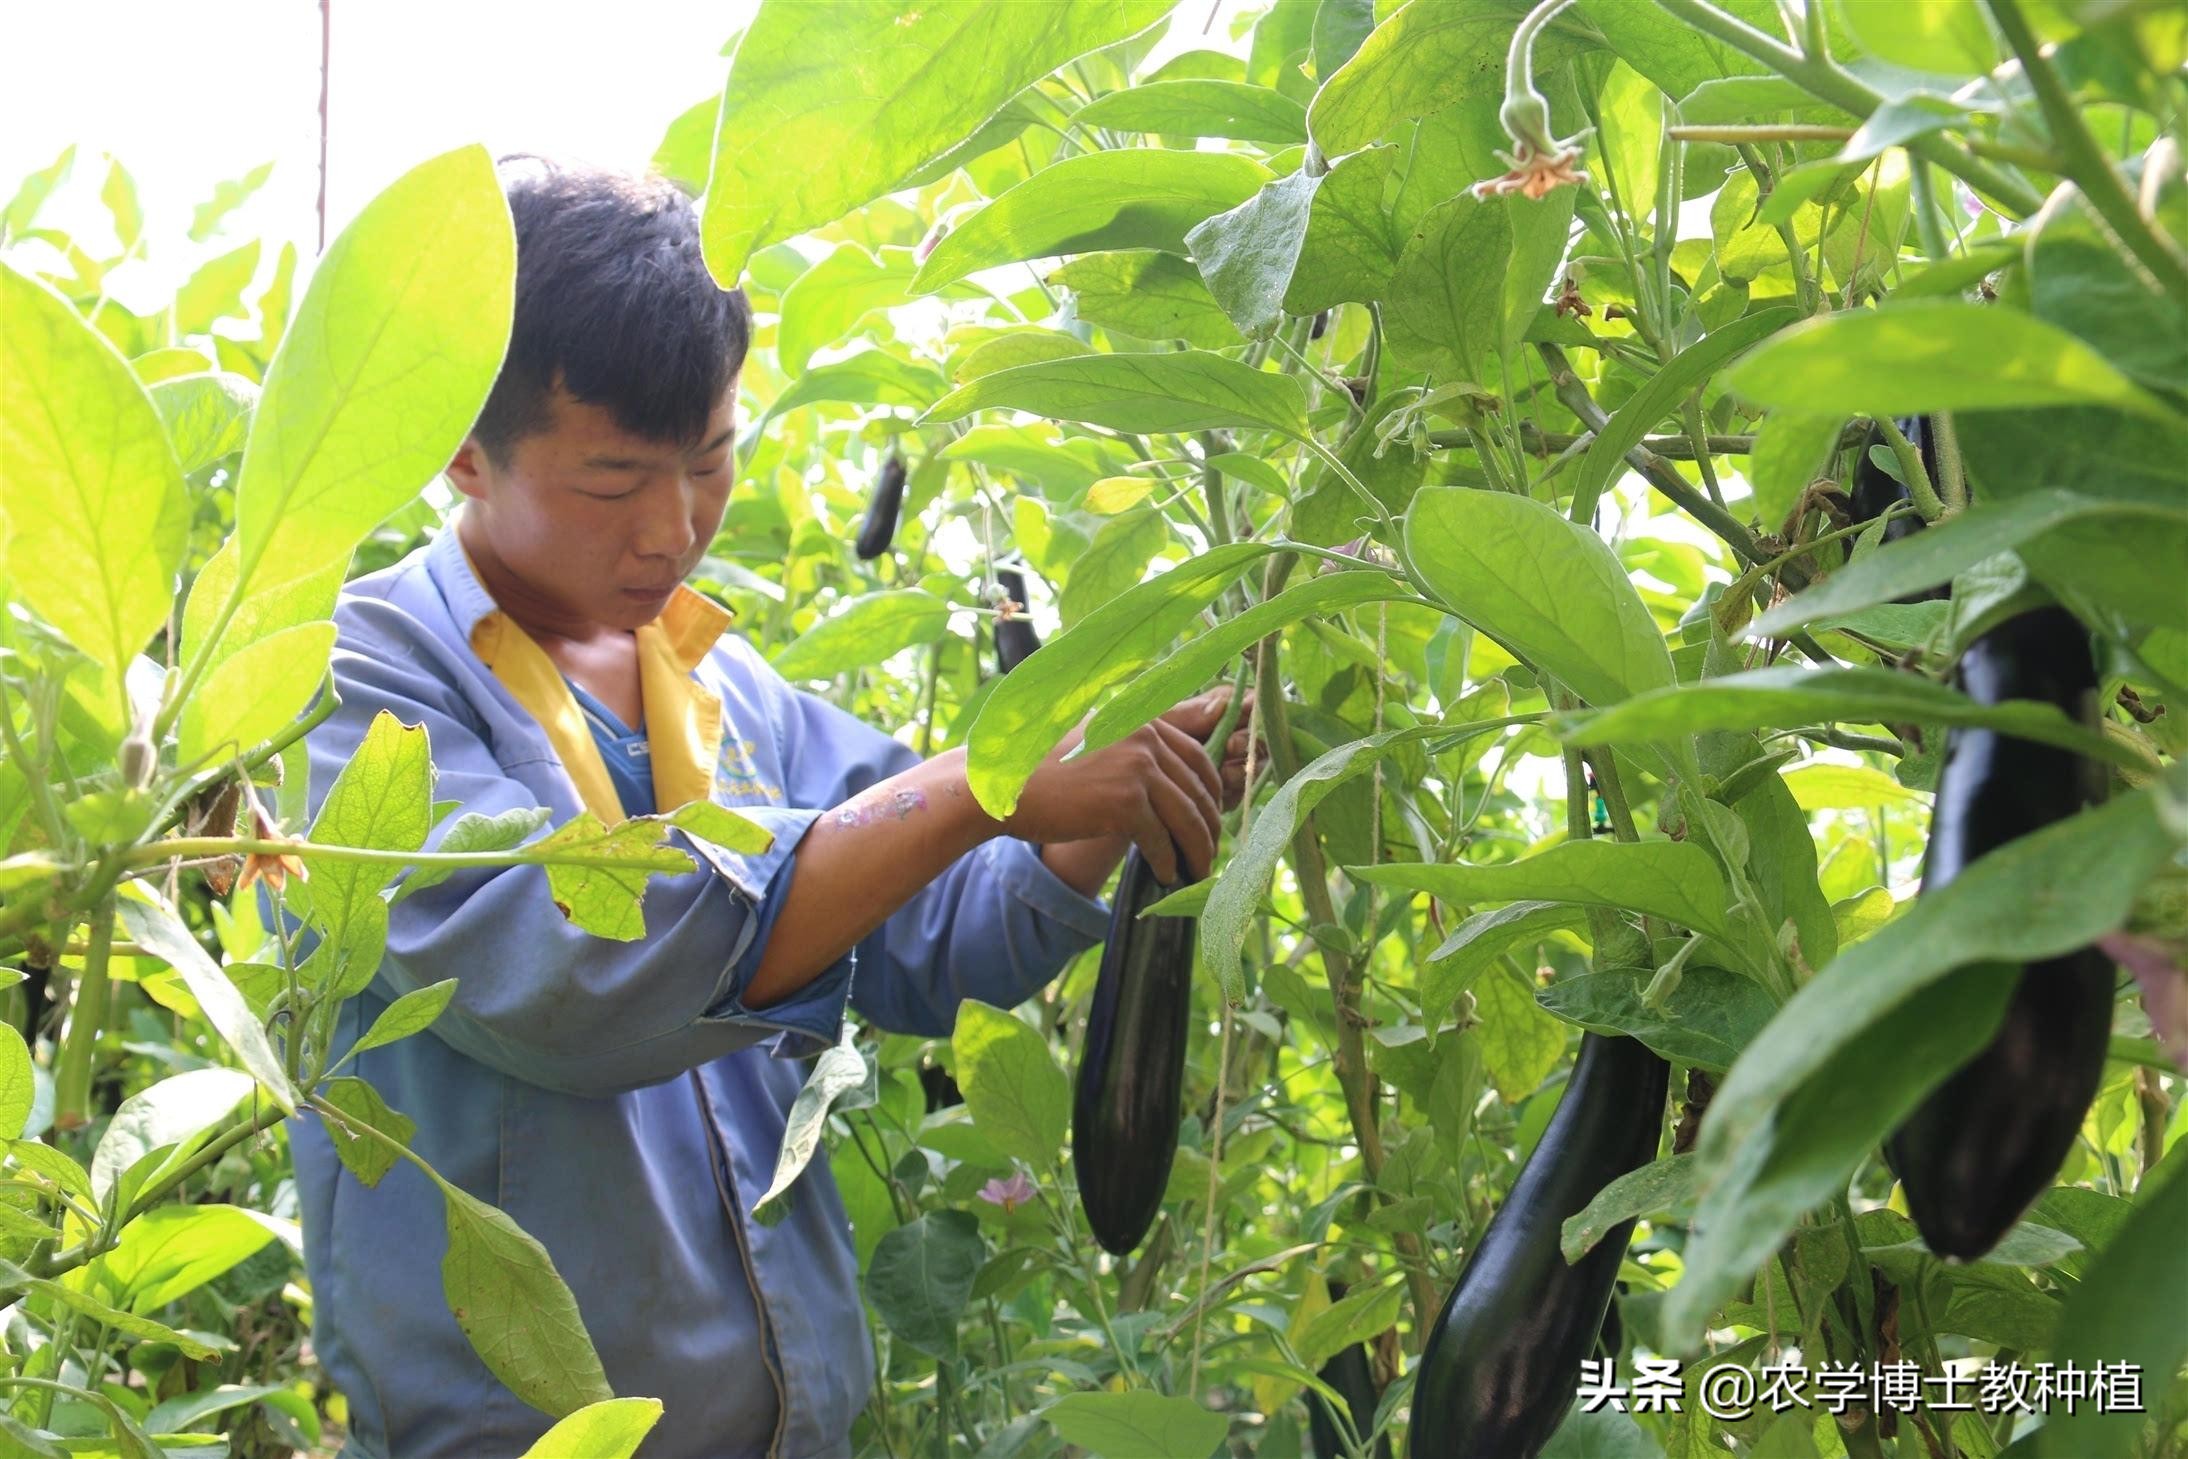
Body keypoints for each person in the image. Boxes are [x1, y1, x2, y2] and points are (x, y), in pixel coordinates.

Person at [289, 155, 1255, 1458]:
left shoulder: (721, 680)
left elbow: (928, 941)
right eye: (613, 480)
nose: (671, 531)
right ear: (466, 451)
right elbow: (576, 978)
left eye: (711, 461)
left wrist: (1102, 807)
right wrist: (984, 781)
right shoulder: (364, 680)